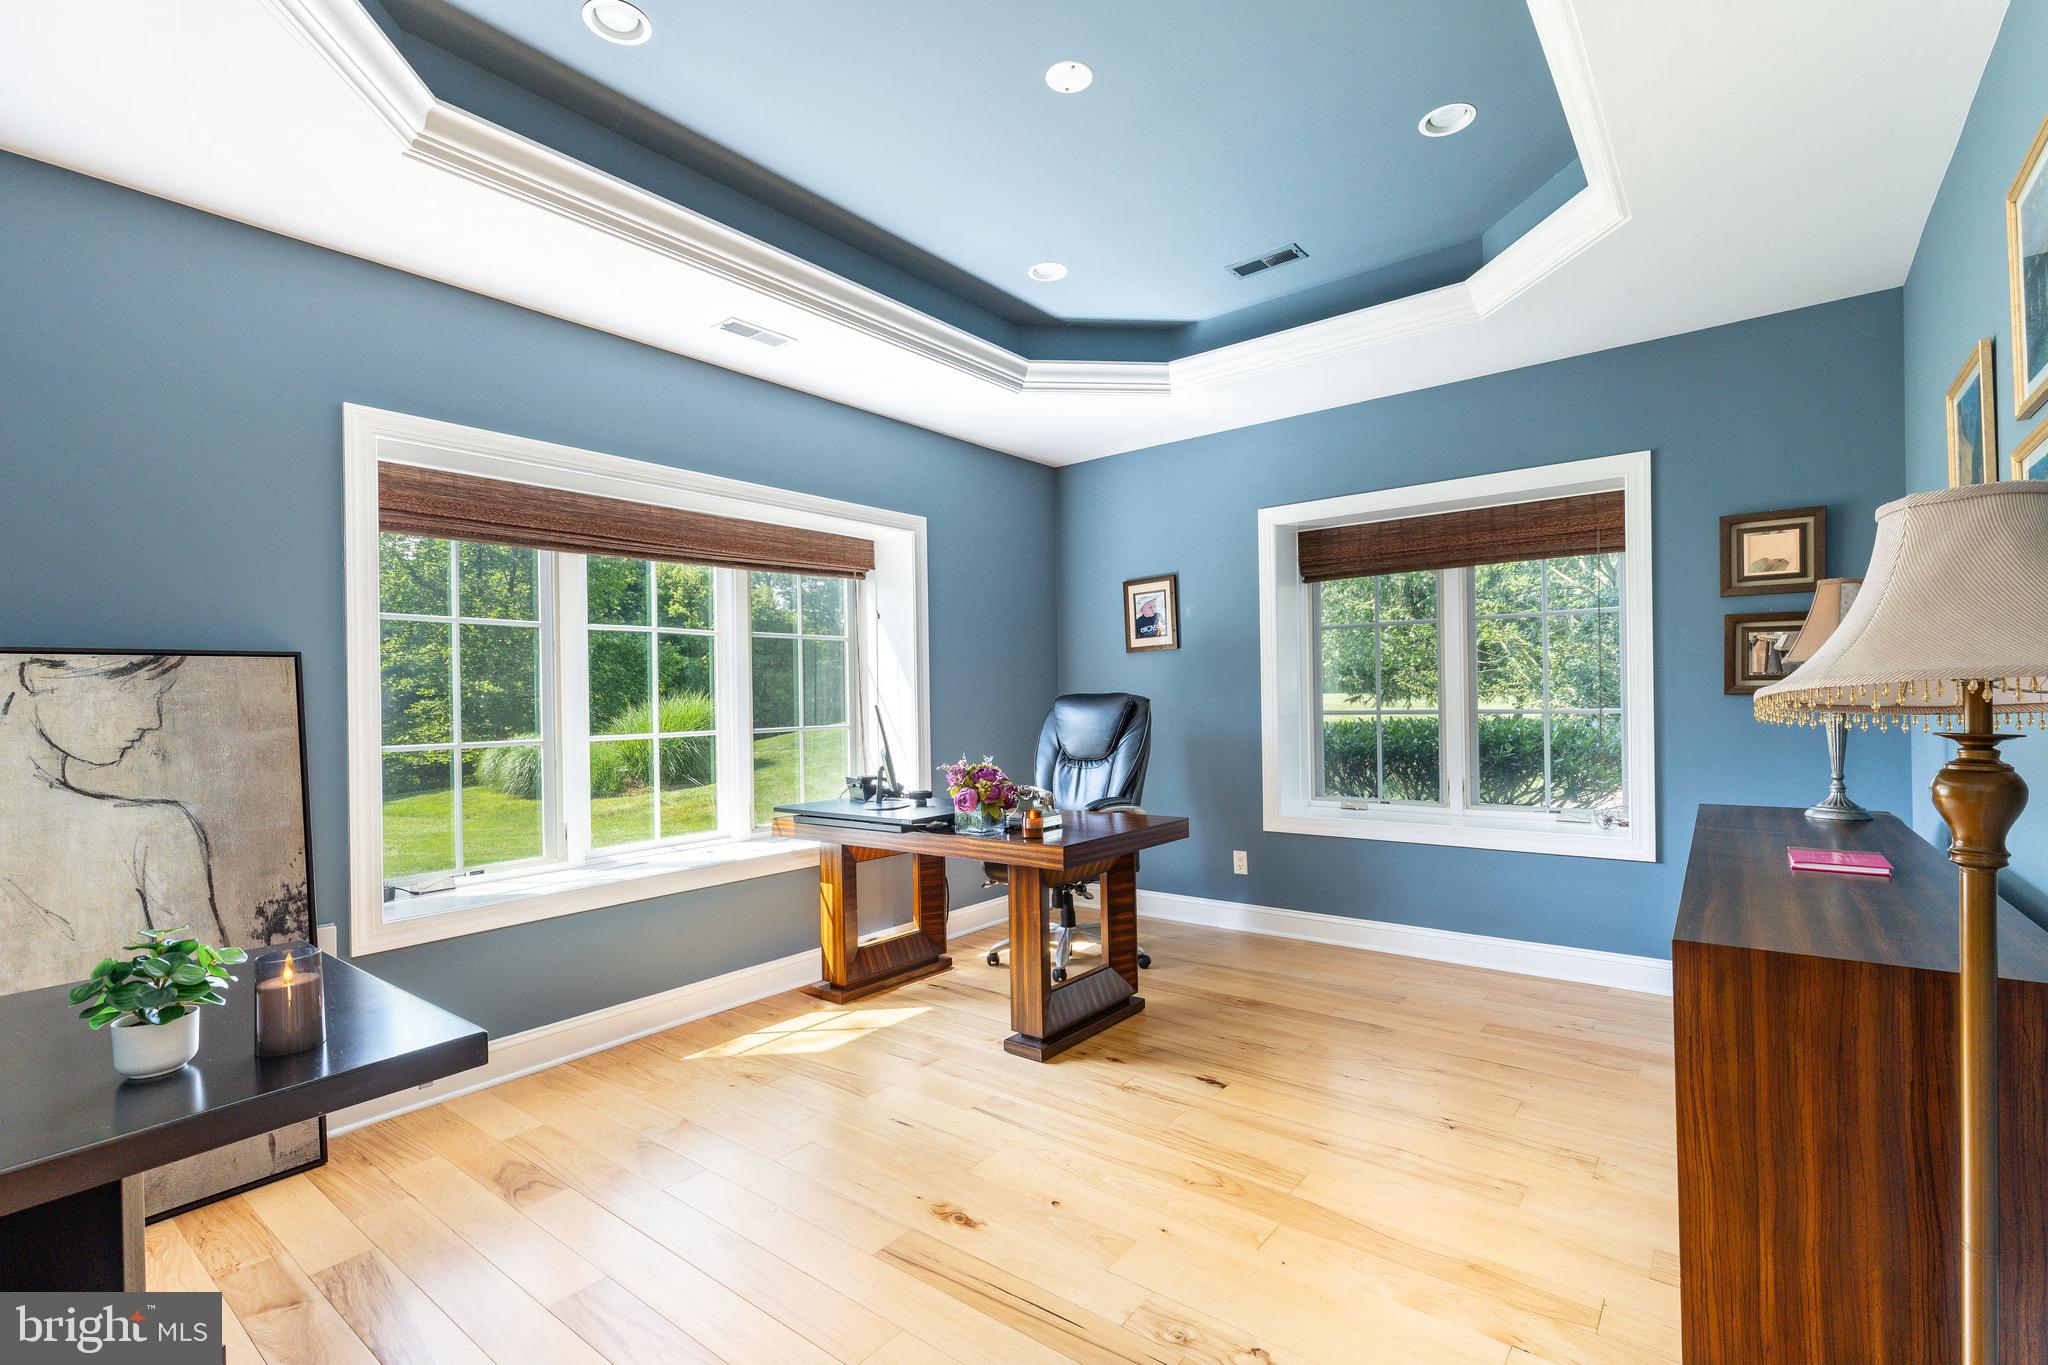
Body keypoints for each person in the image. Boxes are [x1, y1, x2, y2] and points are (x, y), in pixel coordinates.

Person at [0, 654, 229, 992]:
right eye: (133, 689)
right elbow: (208, 991)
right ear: (39, 676)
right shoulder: (156, 833)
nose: (153, 719)